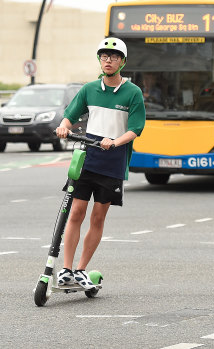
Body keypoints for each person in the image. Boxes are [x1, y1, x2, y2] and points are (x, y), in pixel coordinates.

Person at [54, 37, 145, 290]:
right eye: (104, 56)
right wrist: (63, 127)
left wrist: (115, 142)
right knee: (76, 213)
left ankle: (82, 269)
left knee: (97, 217)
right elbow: (70, 117)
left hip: (113, 160)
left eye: (114, 57)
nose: (108, 60)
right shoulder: (89, 89)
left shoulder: (133, 93)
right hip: (87, 157)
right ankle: (66, 269)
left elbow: (136, 129)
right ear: (99, 60)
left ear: (122, 62)